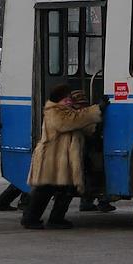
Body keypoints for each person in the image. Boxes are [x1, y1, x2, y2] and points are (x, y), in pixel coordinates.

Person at [21, 85, 105, 230]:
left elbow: (83, 126)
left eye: (69, 99)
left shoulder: (69, 113)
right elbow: (68, 123)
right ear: (57, 100)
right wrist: (96, 110)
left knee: (66, 190)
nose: (68, 102)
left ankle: (56, 219)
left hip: (63, 161)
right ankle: (30, 218)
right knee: (44, 190)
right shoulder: (53, 111)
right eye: (65, 99)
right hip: (51, 159)